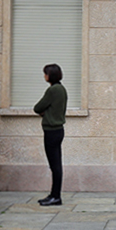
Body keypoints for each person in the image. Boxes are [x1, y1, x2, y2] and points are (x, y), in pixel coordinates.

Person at [34, 63, 67, 206]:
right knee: (56, 164)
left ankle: (56, 196)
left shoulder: (53, 90)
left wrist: (44, 113)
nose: (44, 76)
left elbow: (37, 107)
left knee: (55, 165)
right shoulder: (62, 89)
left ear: (50, 75)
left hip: (51, 131)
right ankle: (54, 194)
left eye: (45, 73)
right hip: (58, 130)